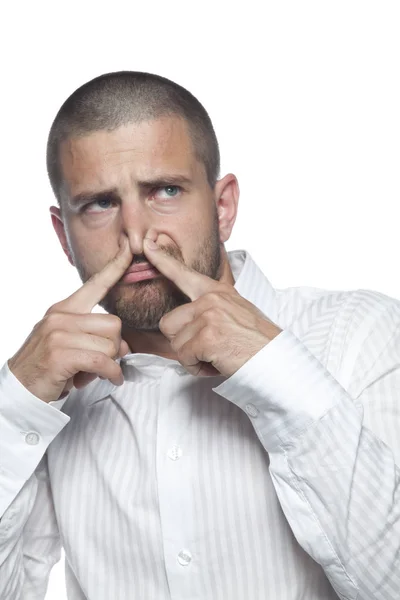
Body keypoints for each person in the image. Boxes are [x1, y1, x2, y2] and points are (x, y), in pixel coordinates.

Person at [0, 71, 399, 600]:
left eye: (165, 190)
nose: (138, 237)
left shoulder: (360, 334)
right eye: (99, 203)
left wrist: (277, 372)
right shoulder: (54, 400)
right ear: (63, 236)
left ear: (223, 206)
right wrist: (11, 407)